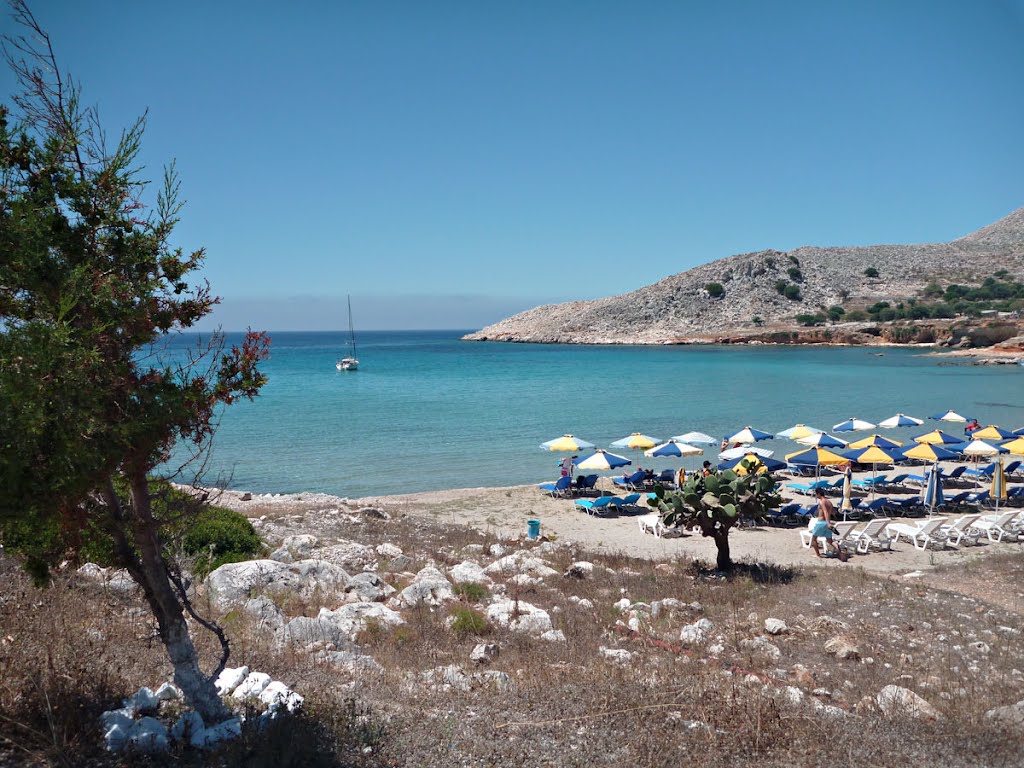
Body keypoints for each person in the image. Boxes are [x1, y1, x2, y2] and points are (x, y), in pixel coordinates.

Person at [810, 488, 841, 559]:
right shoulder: (829, 502)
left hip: (821, 522)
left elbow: (825, 512)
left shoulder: (822, 502)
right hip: (828, 522)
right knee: (830, 540)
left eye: (816, 494)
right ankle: (838, 550)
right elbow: (833, 512)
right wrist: (829, 522)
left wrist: (827, 523)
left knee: (814, 539)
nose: (816, 496)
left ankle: (818, 555)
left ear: (818, 494)